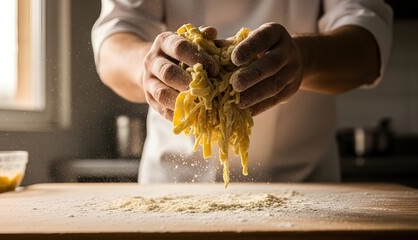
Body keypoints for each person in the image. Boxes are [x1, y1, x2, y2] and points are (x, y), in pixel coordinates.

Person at [92, 0, 392, 184]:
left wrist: (306, 57)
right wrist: (146, 66)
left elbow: (368, 44)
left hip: (304, 187)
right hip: (173, 186)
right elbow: (113, 43)